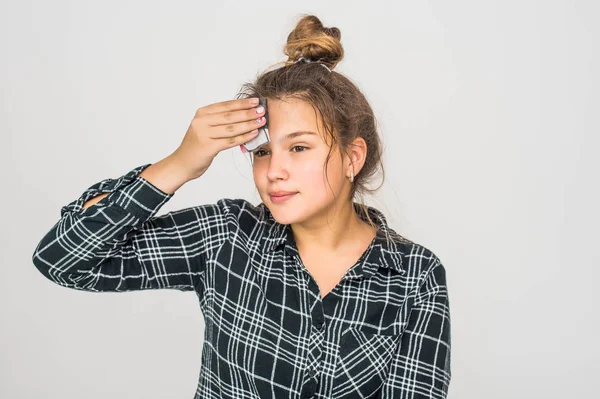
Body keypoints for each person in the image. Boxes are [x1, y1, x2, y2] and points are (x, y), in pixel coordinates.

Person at [32, 14, 451, 399]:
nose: (275, 171)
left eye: (300, 147)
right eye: (263, 152)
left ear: (352, 158)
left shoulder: (415, 275)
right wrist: (179, 164)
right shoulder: (227, 236)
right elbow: (64, 260)